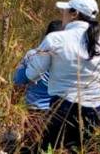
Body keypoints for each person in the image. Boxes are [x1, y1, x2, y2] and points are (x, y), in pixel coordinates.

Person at [26, 0, 100, 151]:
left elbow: (32, 74)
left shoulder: (54, 39)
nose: (63, 14)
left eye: (65, 11)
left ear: (74, 14)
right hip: (95, 111)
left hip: (61, 109)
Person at [12, 20, 64, 150]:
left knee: (30, 148)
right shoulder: (69, 58)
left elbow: (19, 82)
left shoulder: (32, 55)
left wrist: (13, 107)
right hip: (60, 114)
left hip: (35, 113)